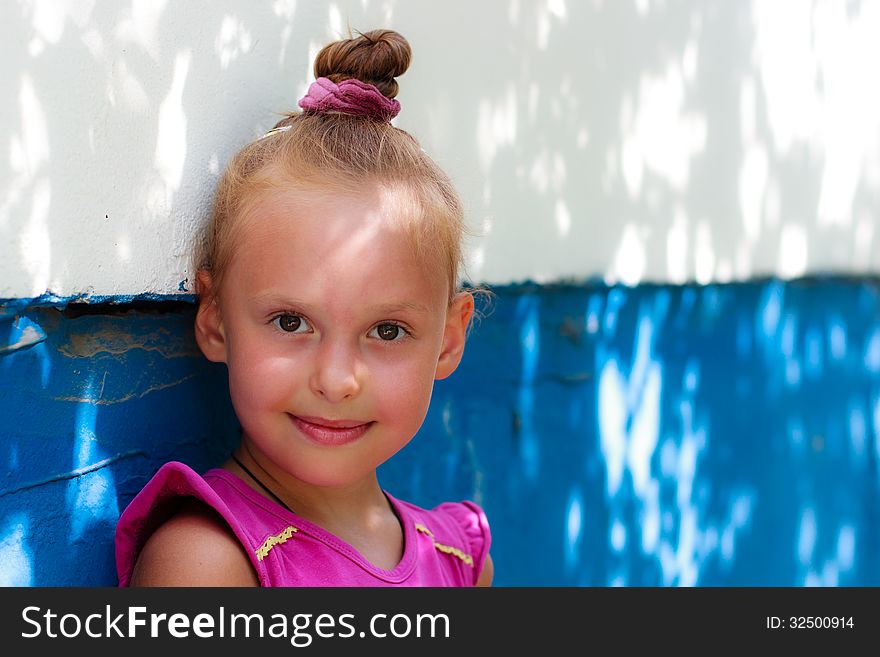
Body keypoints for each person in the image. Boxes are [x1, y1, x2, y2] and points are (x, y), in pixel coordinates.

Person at [114, 29, 492, 587]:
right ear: (215, 317)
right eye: (291, 322)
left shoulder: (462, 562)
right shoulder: (210, 562)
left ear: (448, 340)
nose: (337, 380)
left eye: (388, 330)